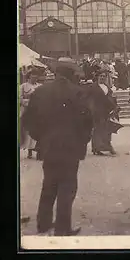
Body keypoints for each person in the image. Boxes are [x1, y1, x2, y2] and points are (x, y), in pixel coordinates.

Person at [23, 57, 93, 236]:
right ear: (71, 74)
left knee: (49, 184)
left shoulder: (41, 92)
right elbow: (87, 122)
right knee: (67, 187)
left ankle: (43, 223)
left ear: (56, 72)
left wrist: (40, 138)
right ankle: (63, 227)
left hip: (48, 145)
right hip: (71, 147)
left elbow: (28, 120)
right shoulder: (78, 92)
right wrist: (82, 141)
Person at [87, 69, 119, 156]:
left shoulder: (107, 87)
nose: (102, 78)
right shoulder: (92, 87)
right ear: (97, 77)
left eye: (104, 76)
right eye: (101, 76)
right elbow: (87, 98)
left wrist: (114, 106)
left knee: (107, 130)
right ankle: (96, 148)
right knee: (97, 130)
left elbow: (111, 98)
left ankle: (107, 146)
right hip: (96, 111)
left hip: (106, 111)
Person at [19, 69, 42, 160]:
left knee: (37, 130)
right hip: (27, 111)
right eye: (33, 75)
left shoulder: (40, 86)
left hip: (37, 111)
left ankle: (37, 149)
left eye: (36, 76)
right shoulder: (23, 86)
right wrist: (28, 101)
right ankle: (29, 150)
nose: (35, 77)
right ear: (29, 76)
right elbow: (20, 99)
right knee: (28, 131)